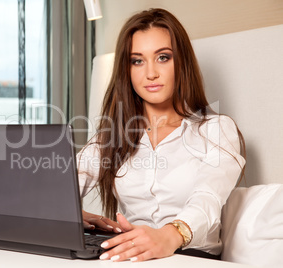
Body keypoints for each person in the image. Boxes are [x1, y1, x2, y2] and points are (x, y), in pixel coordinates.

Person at [77, 8, 246, 262]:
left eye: (163, 57)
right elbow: (59, 187)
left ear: (182, 62)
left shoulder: (216, 130)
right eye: (137, 60)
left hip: (192, 258)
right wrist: (68, 215)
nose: (151, 73)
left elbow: (207, 198)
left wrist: (169, 236)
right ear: (127, 69)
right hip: (131, 258)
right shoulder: (110, 137)